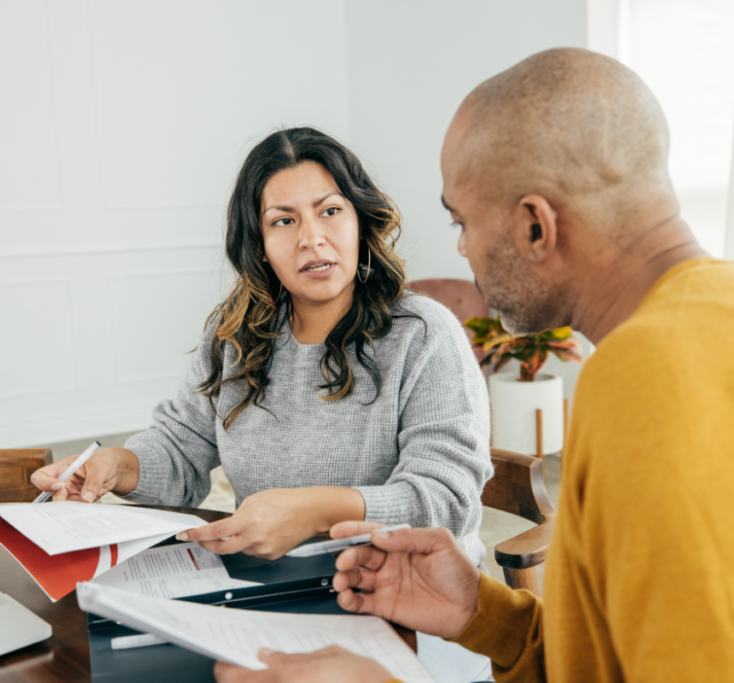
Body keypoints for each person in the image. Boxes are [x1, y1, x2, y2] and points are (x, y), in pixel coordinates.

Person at [213, 49, 734, 683]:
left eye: (463, 221)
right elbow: (615, 651)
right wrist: (484, 614)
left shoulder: (671, 386)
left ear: (535, 228)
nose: (460, 247)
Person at [31, 127, 495, 679]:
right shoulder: (234, 336)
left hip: (415, 606)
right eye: (284, 220)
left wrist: (314, 512)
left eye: (329, 211)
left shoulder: (423, 334)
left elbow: (446, 499)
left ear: (361, 222)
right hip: (273, 597)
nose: (311, 239)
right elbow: (179, 447)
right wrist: (114, 465)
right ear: (259, 244)